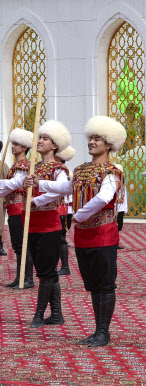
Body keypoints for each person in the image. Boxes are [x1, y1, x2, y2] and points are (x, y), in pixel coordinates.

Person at [26, 116, 126, 347]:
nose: (91, 142)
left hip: (103, 234)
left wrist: (80, 215)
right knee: (92, 284)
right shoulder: (81, 170)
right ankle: (97, 330)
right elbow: (64, 187)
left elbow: (104, 197)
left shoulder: (112, 172)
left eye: (97, 139)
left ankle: (103, 331)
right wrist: (39, 184)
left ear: (109, 144)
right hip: (82, 236)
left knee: (105, 284)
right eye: (90, 137)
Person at [0, 120, 71, 328]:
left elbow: (62, 189)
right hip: (30, 224)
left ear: (55, 145)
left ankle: (39, 314)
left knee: (46, 272)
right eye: (40, 137)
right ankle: (56, 314)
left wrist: (35, 199)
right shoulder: (32, 167)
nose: (39, 141)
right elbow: (12, 184)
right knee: (46, 271)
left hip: (49, 225)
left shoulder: (59, 169)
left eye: (45, 139)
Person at [3, 128, 34, 289]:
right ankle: (20, 277)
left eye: (16, 144)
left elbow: (13, 184)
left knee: (23, 245)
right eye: (13, 143)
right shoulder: (16, 165)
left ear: (24, 148)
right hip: (13, 209)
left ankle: (27, 278)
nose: (13, 147)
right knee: (17, 245)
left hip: (19, 209)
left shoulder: (22, 166)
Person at [54, 146, 76, 276]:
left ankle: (65, 266)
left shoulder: (62, 171)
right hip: (62, 208)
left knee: (61, 238)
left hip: (62, 209)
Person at [114, 164, 128, 249]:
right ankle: (113, 243)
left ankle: (116, 242)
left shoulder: (123, 181)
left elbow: (125, 195)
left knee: (119, 226)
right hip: (114, 207)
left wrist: (125, 208)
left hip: (121, 207)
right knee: (113, 226)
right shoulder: (112, 181)